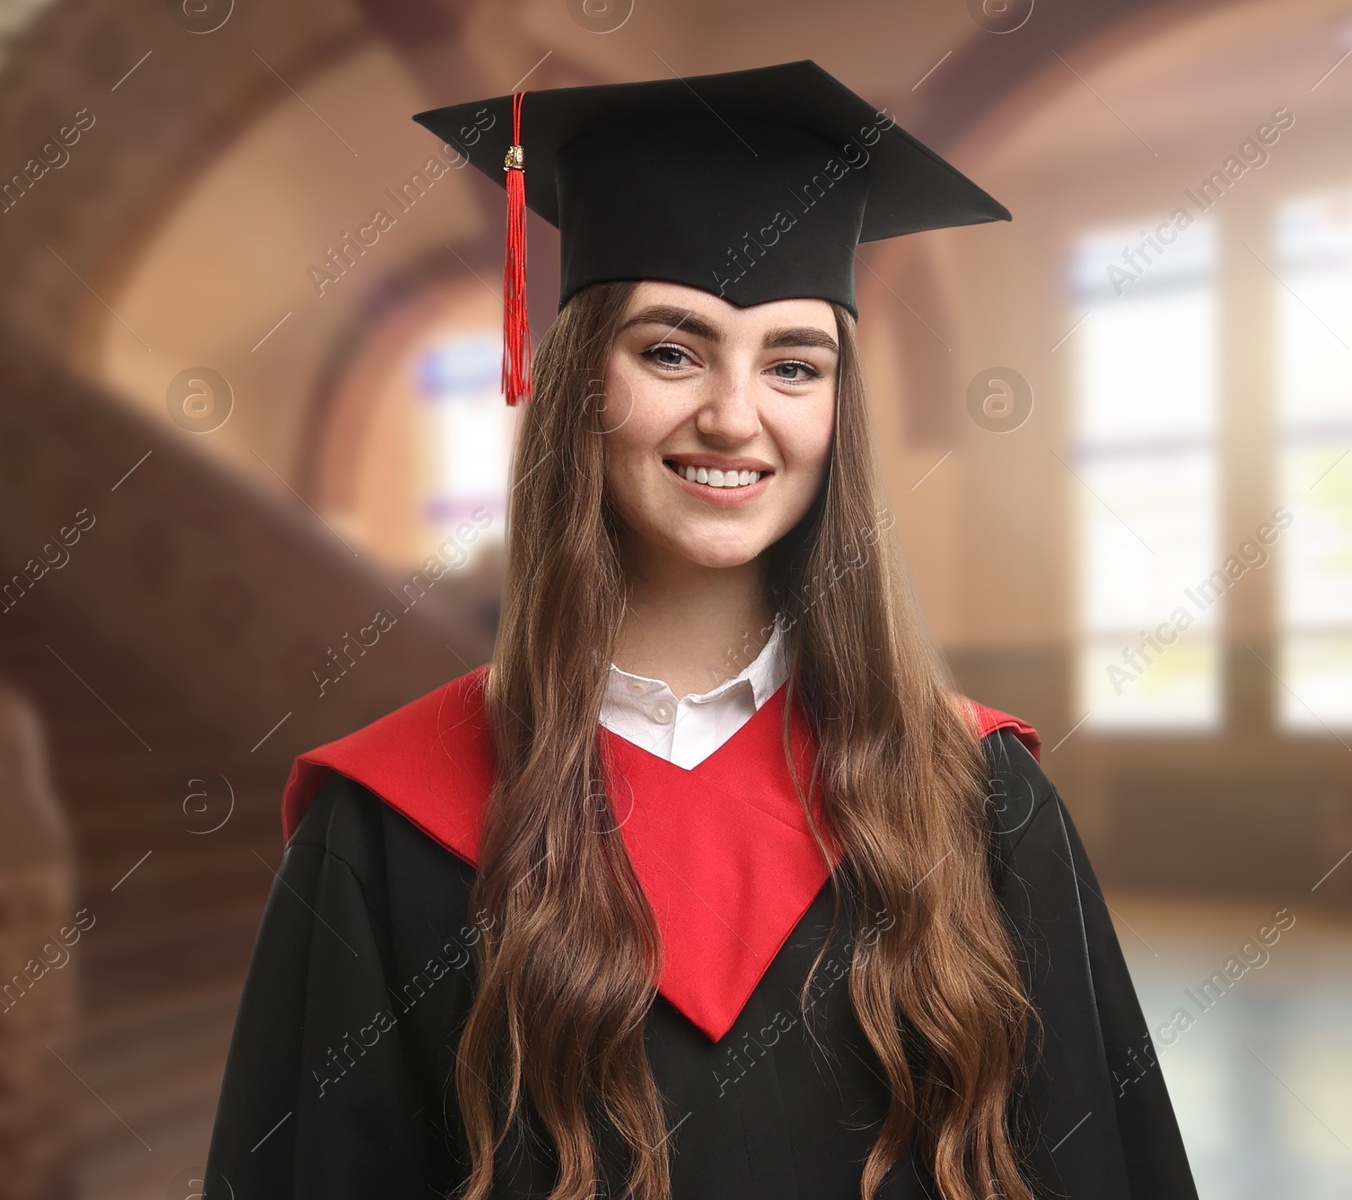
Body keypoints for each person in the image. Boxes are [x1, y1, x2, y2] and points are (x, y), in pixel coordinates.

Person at [203, 60, 1199, 1200]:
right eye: (670, 351)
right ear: (581, 383)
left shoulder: (977, 799)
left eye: (793, 364)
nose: (734, 415)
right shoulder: (386, 828)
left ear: (839, 409)